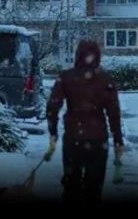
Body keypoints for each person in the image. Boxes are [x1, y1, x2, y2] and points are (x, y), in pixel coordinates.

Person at [46, 39, 123, 201]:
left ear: (78, 55)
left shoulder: (66, 77)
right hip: (98, 140)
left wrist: (53, 132)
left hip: (73, 139)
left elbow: (53, 106)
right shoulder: (105, 79)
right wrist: (117, 140)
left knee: (71, 186)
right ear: (97, 56)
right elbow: (113, 113)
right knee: (93, 189)